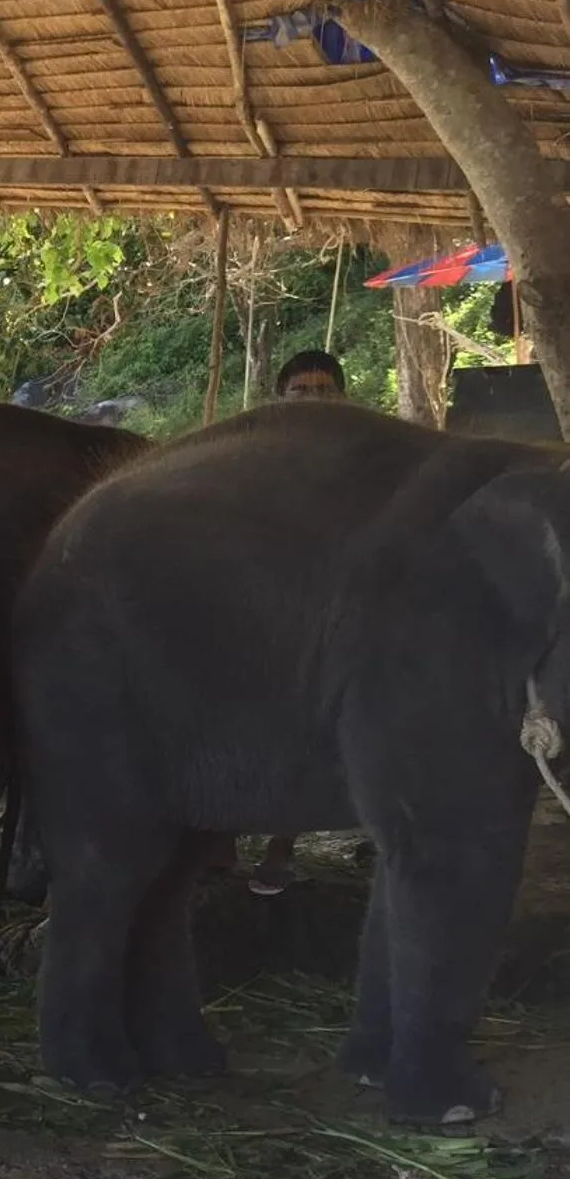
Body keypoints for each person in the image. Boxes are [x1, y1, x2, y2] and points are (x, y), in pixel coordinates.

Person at [247, 348, 349, 895]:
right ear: (281, 397)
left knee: (318, 729)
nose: (312, 400)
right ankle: (216, 840)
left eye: (324, 390)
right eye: (301, 391)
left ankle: (281, 846)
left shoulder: (365, 459)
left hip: (337, 618)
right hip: (268, 615)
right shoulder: (250, 458)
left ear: (343, 398)